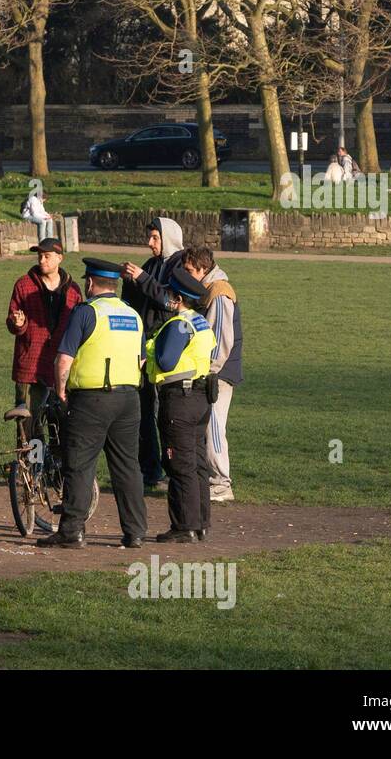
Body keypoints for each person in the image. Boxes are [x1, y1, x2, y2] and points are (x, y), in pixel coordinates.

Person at [36, 259, 146, 549]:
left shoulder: (86, 312)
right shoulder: (133, 315)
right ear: (116, 284)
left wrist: (60, 390)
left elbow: (64, 358)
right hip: (129, 399)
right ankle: (135, 531)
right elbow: (142, 358)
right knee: (127, 467)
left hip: (92, 399)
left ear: (90, 283)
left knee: (80, 465)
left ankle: (72, 530)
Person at [146, 268, 216, 543]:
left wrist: (152, 345)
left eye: (169, 294)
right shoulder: (201, 322)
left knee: (179, 463)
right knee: (198, 463)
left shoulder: (179, 324)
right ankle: (201, 523)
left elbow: (166, 361)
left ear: (177, 297)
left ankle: (183, 526)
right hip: (200, 398)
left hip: (179, 400)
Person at [121, 217, 187, 491]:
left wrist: (143, 279)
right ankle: (151, 472)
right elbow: (137, 304)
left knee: (166, 414)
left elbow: (172, 302)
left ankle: (174, 472)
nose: (149, 243)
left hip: (168, 349)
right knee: (144, 411)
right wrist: (130, 282)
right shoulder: (151, 265)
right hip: (143, 350)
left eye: (155, 238)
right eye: (149, 237)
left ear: (168, 236)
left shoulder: (180, 265)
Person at [5, 238, 83, 444]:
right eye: (39, 255)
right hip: (30, 367)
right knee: (28, 425)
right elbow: (13, 322)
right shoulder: (23, 285)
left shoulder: (74, 291)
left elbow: (79, 327)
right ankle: (29, 471)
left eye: (47, 256)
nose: (42, 260)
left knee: (59, 424)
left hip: (61, 366)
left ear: (60, 258)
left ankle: (56, 472)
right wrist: (18, 323)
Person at [182, 246, 242, 503]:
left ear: (203, 269)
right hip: (216, 371)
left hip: (218, 373)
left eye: (189, 271)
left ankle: (221, 483)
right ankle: (213, 479)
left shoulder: (218, 293)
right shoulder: (210, 290)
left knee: (214, 427)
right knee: (209, 425)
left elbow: (220, 341)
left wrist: (208, 372)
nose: (186, 275)